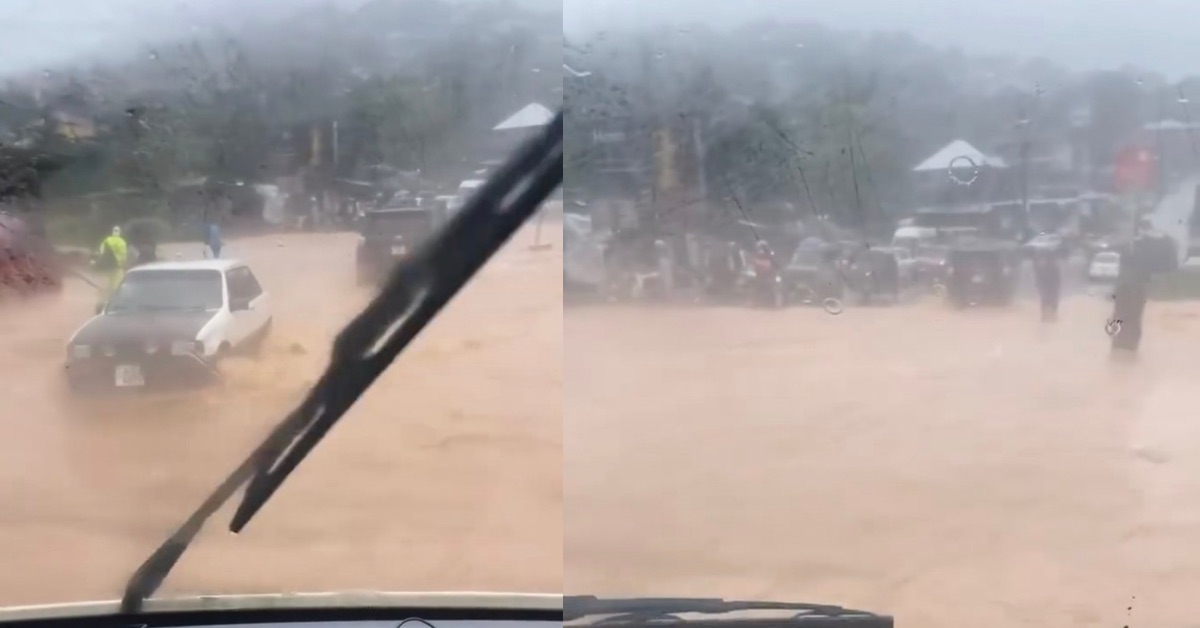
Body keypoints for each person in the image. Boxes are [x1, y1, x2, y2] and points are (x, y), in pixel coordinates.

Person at [95, 226, 128, 300]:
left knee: (107, 280)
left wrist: (103, 259)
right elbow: (123, 254)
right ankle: (114, 296)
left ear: (112, 232)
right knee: (117, 281)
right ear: (119, 232)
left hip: (107, 264)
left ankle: (105, 295)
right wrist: (122, 262)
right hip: (117, 265)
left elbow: (102, 251)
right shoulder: (121, 242)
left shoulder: (107, 240)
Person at [1032, 249, 1062, 322]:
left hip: (1052, 286)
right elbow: (1038, 277)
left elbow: (1057, 278)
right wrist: (1038, 284)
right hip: (1046, 285)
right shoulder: (1040, 267)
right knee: (1045, 299)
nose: (1043, 261)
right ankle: (1046, 315)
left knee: (1051, 299)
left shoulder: (1054, 267)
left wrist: (1057, 286)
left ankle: (1051, 315)